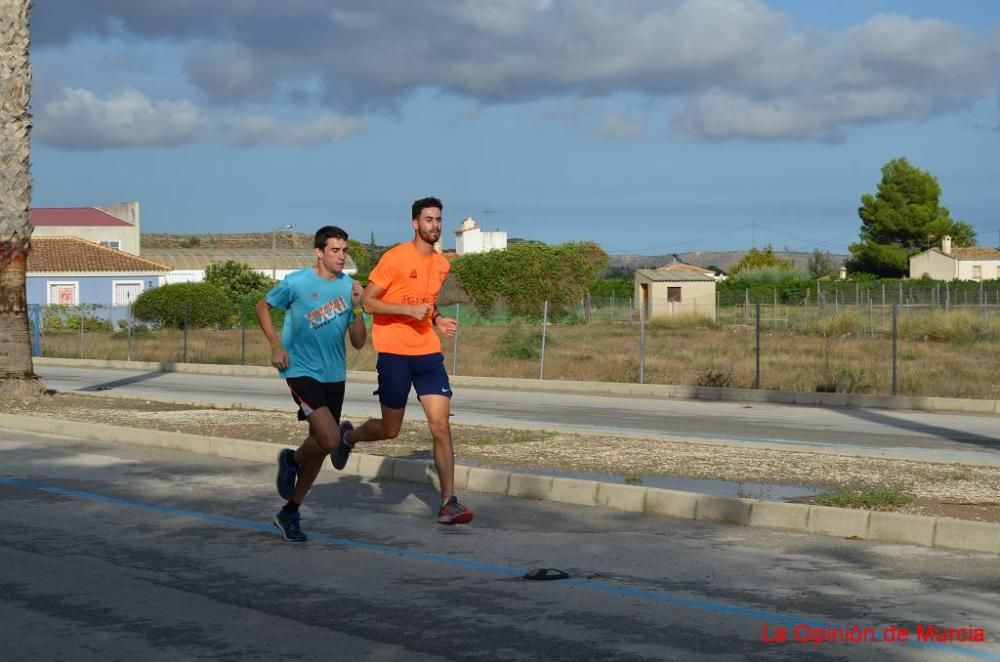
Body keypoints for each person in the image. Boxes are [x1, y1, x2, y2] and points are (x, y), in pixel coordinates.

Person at [331, 196, 473, 525]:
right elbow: (368, 302)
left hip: (427, 354)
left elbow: (427, 302)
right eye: (428, 220)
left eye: (438, 220)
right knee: (390, 429)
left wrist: (436, 319)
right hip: (394, 354)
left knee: (441, 426)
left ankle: (448, 503)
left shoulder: (442, 265)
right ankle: (347, 437)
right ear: (415, 223)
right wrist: (408, 311)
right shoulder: (394, 258)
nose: (434, 225)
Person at [255, 225, 366, 542]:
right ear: (319, 252)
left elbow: (358, 343)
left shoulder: (350, 288)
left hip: (335, 375)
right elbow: (262, 306)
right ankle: (292, 461)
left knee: (318, 447)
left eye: (344, 250)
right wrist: (276, 344)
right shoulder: (298, 282)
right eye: (334, 250)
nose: (341, 256)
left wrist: (359, 306)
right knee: (331, 439)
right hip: (301, 370)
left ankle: (289, 510)